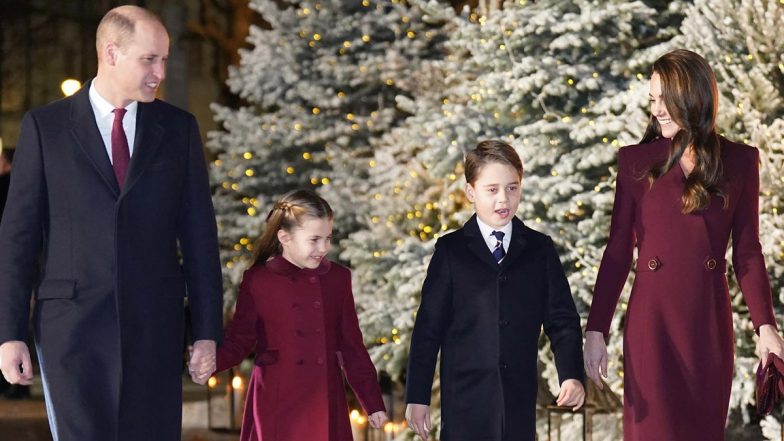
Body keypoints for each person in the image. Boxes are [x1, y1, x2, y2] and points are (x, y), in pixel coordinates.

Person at [0, 5, 222, 440]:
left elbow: (199, 237)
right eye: (149, 59)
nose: (160, 71)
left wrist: (207, 331)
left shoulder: (179, 130)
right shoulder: (46, 128)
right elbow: (17, 238)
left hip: (155, 328)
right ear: (111, 53)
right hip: (71, 330)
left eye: (164, 59)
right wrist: (9, 334)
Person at [584, 49, 784, 441]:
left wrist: (766, 326)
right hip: (651, 325)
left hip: (707, 327)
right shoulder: (635, 162)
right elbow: (617, 253)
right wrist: (596, 331)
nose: (656, 109)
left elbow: (747, 251)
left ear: (692, 96)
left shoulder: (741, 161)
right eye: (652, 100)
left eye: (664, 99)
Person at [405, 140, 585, 441]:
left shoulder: (540, 250)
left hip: (518, 401)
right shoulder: (450, 252)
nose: (504, 198)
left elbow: (562, 320)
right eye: (492, 190)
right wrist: (417, 396)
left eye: (512, 188)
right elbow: (427, 330)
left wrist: (570, 374)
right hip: (464, 403)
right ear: (471, 192)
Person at [207, 189, 388, 441]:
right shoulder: (259, 280)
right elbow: (241, 339)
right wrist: (210, 362)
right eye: (314, 239)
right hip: (277, 400)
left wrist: (373, 401)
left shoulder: (337, 278)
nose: (324, 247)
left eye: (328, 238)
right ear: (285, 237)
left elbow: (351, 346)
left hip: (323, 396)